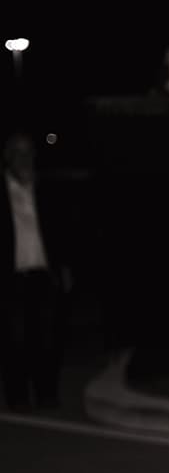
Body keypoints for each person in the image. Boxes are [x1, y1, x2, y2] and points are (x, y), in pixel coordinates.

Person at [1, 130, 73, 412]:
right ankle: (18, 396)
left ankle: (46, 392)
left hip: (43, 272)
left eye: (28, 151)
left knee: (47, 337)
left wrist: (64, 266)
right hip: (11, 276)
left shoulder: (44, 188)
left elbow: (61, 230)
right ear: (7, 157)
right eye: (17, 152)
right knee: (14, 340)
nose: (24, 158)